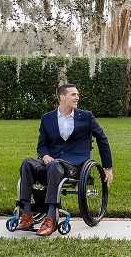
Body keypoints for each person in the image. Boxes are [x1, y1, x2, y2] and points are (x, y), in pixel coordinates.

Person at [15, 83, 113, 236]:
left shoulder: (86, 116)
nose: (77, 97)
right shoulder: (47, 119)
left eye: (77, 94)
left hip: (75, 164)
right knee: (27, 163)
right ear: (62, 97)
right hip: (51, 160)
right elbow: (42, 145)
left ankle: (51, 218)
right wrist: (45, 155)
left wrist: (107, 168)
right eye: (73, 94)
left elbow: (102, 139)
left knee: (54, 165)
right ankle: (27, 214)